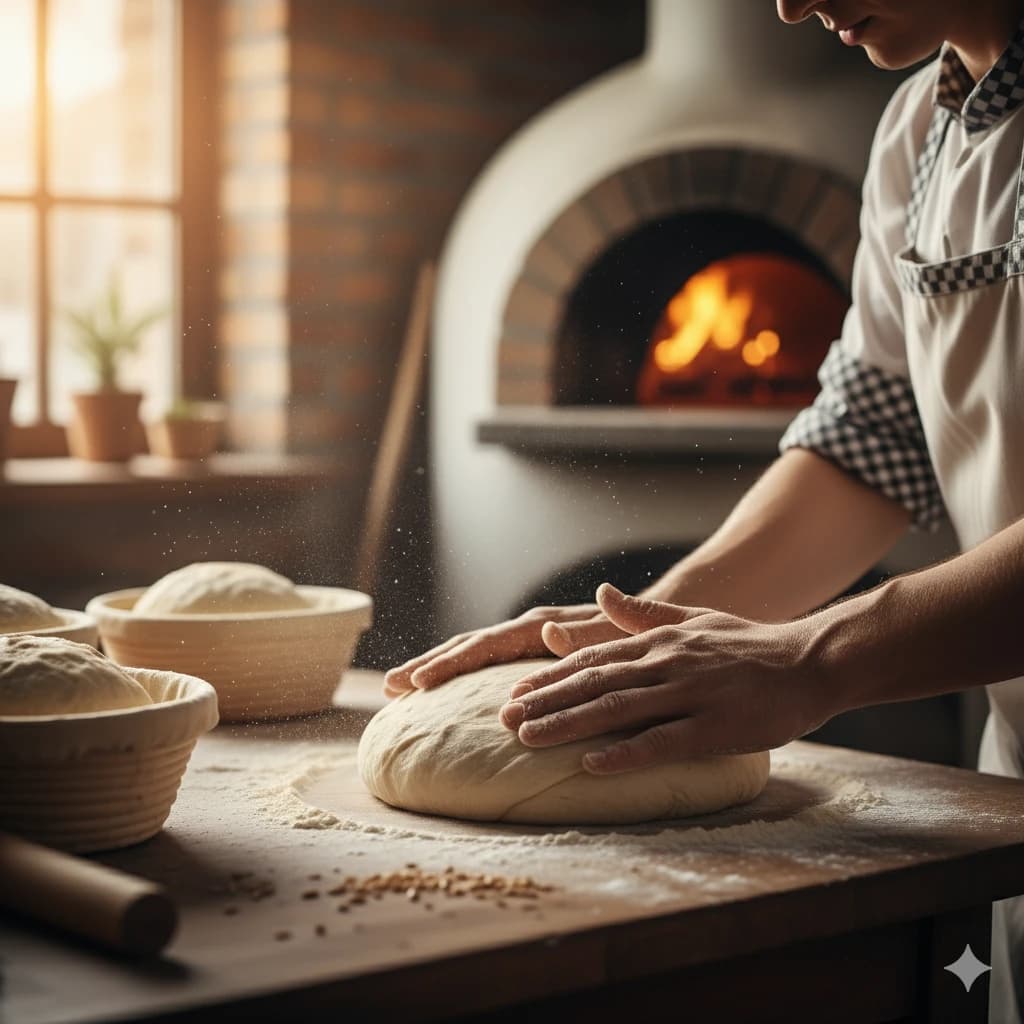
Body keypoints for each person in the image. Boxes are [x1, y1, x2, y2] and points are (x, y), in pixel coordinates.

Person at [386, 1, 1024, 1018]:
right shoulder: (920, 127)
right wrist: (644, 628)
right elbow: (870, 441)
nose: (786, 4)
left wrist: (816, 657)